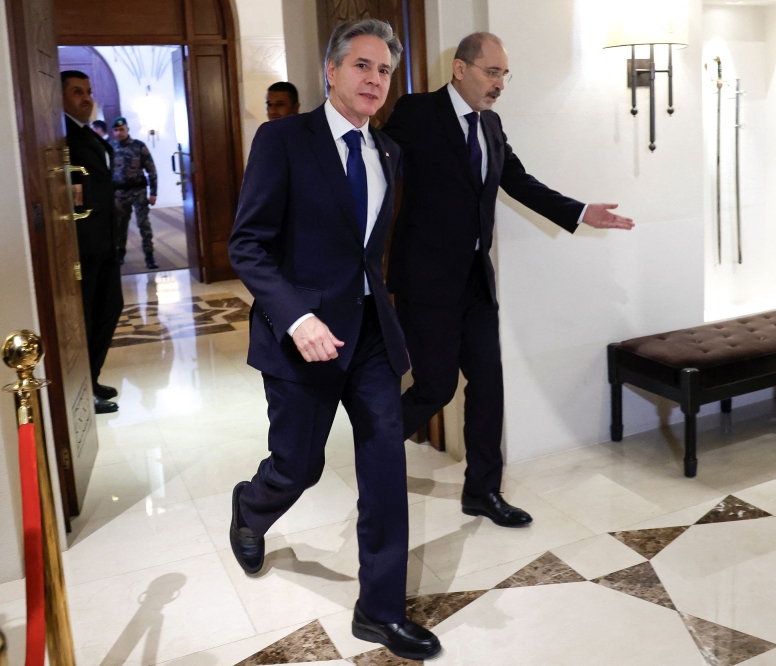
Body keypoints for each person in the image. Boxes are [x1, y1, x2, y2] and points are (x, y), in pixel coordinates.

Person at [228, 20, 441, 661]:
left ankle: (380, 611)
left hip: (371, 337)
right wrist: (296, 318)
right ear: (331, 70)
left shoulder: (388, 153)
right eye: (363, 67)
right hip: (303, 340)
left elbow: (367, 252)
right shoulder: (283, 139)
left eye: (384, 71)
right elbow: (248, 244)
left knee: (384, 468)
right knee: (300, 464)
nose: (375, 80)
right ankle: (251, 507)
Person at [382, 32, 634, 527]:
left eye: (504, 74)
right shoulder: (415, 113)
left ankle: (482, 491)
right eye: (491, 72)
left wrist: (582, 212)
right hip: (427, 281)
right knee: (433, 389)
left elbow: (517, 181)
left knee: (489, 385)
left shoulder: (491, 126)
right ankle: (377, 443)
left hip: (475, 279)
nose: (500, 83)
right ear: (460, 69)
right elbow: (376, 166)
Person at [62, 70, 124, 414]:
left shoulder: (89, 133)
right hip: (82, 244)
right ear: (60, 97)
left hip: (106, 241)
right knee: (84, 317)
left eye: (87, 91)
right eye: (76, 92)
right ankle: (82, 389)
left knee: (109, 308)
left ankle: (92, 376)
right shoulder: (59, 135)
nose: (86, 98)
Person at [110, 117, 159, 269]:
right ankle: (120, 254)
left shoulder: (139, 146)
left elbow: (151, 170)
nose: (119, 133)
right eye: (116, 130)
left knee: (143, 224)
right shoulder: (110, 148)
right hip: (119, 193)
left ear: (127, 129)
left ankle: (149, 256)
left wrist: (153, 192)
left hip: (138, 191)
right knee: (120, 225)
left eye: (121, 129)